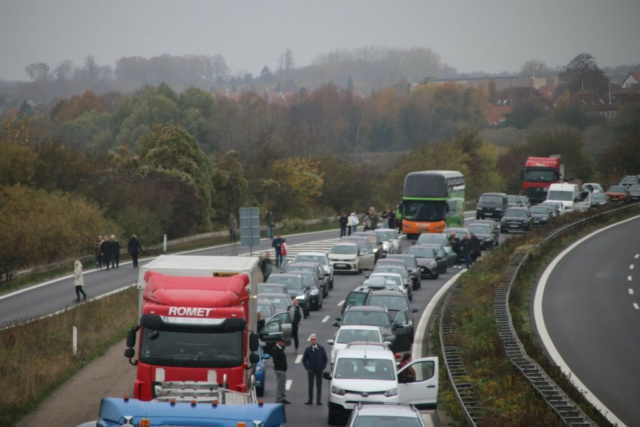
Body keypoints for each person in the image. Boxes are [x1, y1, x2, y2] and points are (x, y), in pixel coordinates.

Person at [302, 334, 328, 405]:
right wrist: (307, 368)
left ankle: (318, 400)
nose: (313, 340)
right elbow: (304, 360)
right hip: (311, 369)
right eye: (312, 339)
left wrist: (323, 366)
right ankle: (310, 399)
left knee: (319, 385)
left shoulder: (321, 349)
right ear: (310, 341)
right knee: (311, 384)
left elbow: (325, 358)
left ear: (316, 340)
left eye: (314, 339)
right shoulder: (308, 349)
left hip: (319, 369)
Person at [271, 336, 290, 404]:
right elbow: (276, 360)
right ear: (278, 342)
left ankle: (283, 397)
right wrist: (283, 366)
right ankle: (279, 398)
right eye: (282, 342)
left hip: (282, 369)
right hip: (279, 369)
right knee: (280, 384)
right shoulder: (275, 349)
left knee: (283, 384)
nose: (283, 343)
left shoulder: (280, 348)